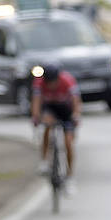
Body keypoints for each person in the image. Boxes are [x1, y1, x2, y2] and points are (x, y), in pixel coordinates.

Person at [31, 63, 82, 196]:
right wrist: (36, 117)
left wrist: (76, 115)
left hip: (66, 109)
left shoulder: (67, 80)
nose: (51, 86)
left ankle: (70, 177)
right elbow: (36, 101)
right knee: (47, 126)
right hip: (50, 108)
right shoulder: (39, 82)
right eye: (48, 83)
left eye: (53, 82)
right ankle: (44, 161)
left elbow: (76, 100)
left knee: (68, 143)